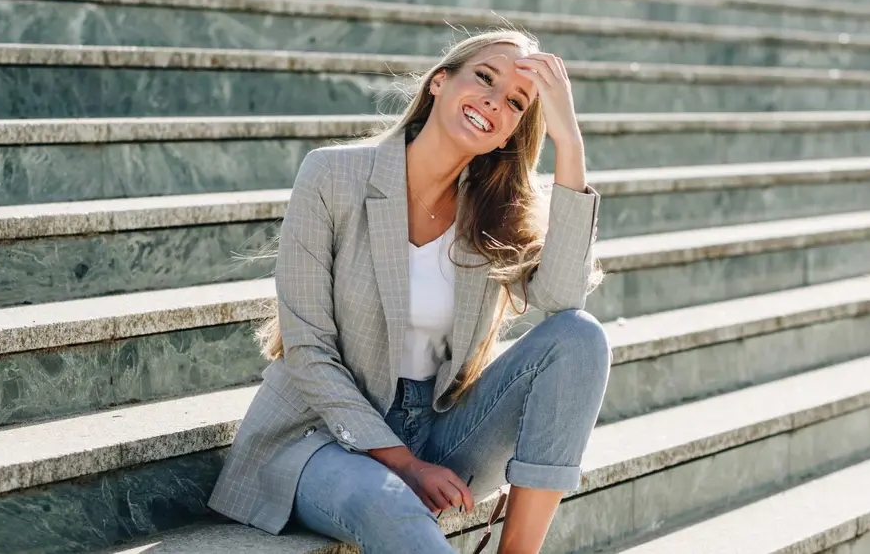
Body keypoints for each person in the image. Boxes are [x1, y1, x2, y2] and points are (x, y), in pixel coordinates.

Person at [208, 29, 612, 554]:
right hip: (317, 435)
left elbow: (563, 300)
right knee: (390, 502)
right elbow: (307, 351)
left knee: (580, 337)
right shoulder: (333, 176)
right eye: (485, 77)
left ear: (509, 134)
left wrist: (570, 144)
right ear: (440, 83)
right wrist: (404, 464)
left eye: (515, 102)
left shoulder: (492, 214)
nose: (494, 100)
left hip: (436, 426)